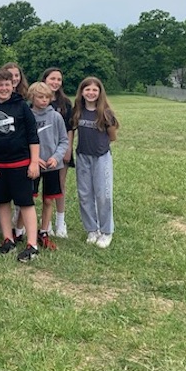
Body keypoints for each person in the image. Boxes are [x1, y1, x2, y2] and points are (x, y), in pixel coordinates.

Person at [0, 68, 40, 263]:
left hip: (20, 163)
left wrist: (34, 162)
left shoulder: (22, 106)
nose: (4, 88)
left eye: (7, 84)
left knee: (25, 203)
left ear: (13, 85)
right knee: (2, 203)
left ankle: (32, 244)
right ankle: (8, 239)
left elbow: (33, 136)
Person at [71, 76, 119, 249]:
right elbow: (72, 131)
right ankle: (92, 229)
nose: (91, 93)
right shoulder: (77, 111)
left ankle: (106, 231)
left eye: (94, 90)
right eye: (87, 89)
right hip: (83, 156)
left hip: (101, 157)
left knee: (103, 194)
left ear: (99, 93)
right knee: (85, 194)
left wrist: (101, 148)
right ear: (82, 92)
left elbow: (112, 136)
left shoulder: (105, 113)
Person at [28, 82, 69, 251]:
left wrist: (56, 157)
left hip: (52, 165)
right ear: (32, 97)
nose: (44, 100)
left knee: (49, 199)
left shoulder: (56, 117)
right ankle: (20, 229)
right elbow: (24, 141)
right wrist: (35, 159)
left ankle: (44, 231)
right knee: (29, 198)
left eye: (47, 97)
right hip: (34, 165)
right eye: (40, 97)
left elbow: (64, 140)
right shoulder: (28, 116)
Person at [41, 67, 74, 237]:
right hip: (40, 152)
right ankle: (42, 224)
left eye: (58, 79)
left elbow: (70, 128)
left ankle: (60, 222)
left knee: (59, 186)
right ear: (45, 80)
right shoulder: (37, 100)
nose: (55, 82)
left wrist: (68, 149)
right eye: (52, 79)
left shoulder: (65, 103)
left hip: (60, 152)